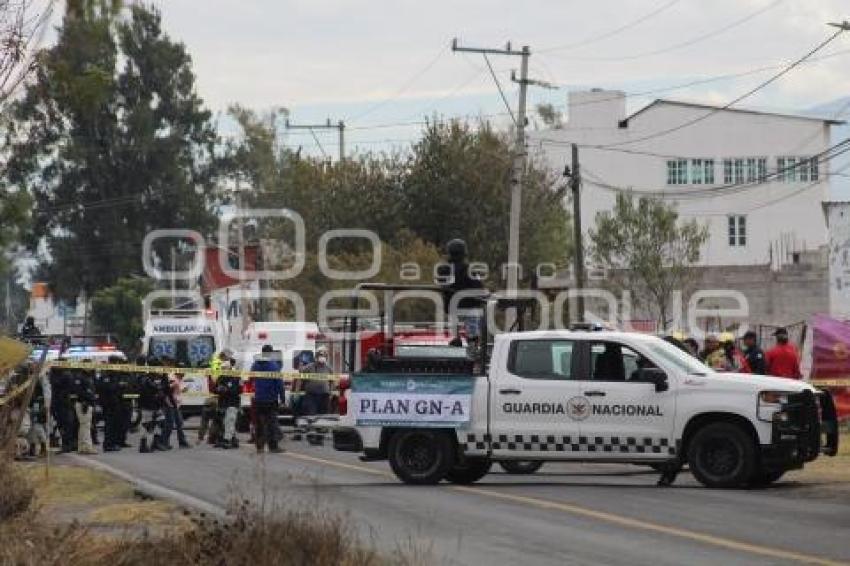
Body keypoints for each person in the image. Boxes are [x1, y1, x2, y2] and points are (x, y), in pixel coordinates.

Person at [252, 344, 284, 453]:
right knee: (272, 423)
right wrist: (282, 398)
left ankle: (259, 447)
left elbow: (251, 378)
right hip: (271, 399)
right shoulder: (273, 366)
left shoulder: (255, 365)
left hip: (258, 398)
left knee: (259, 424)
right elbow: (279, 384)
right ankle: (273, 446)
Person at [138, 358, 169, 453]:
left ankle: (155, 442)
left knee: (161, 422)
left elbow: (165, 388)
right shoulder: (145, 377)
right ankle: (143, 445)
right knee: (146, 425)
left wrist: (164, 378)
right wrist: (157, 391)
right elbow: (147, 389)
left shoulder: (160, 377)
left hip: (157, 405)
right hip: (148, 405)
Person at [95, 357, 123, 451]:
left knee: (114, 424)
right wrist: (118, 385)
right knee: (110, 425)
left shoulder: (114, 374)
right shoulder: (106, 374)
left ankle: (112, 443)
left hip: (114, 402)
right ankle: (108, 444)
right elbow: (107, 387)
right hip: (109, 403)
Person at [214, 362, 242, 449]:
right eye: (222, 369)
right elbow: (215, 389)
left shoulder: (235, 377)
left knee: (230, 421)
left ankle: (227, 440)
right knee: (224, 422)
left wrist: (225, 389)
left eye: (224, 368)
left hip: (232, 403)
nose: (222, 370)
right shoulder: (220, 378)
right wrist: (218, 390)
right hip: (223, 403)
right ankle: (232, 439)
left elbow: (238, 390)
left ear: (229, 368)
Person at [50, 364, 77, 453]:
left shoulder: (63, 376)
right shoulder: (63, 375)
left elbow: (57, 384)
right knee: (64, 425)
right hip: (62, 404)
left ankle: (67, 444)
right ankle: (68, 444)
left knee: (65, 425)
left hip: (63, 404)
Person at [26, 363, 51, 458]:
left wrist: (46, 405)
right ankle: (33, 448)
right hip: (32, 404)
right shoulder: (30, 375)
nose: (31, 367)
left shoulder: (41, 376)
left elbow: (46, 391)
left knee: (37, 426)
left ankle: (44, 447)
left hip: (39, 404)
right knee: (32, 427)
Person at [71, 368, 98, 455]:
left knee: (84, 426)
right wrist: (85, 401)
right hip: (84, 404)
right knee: (85, 426)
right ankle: (87, 447)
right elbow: (80, 392)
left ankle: (82, 446)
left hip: (86, 403)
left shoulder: (87, 377)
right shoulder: (81, 378)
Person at [300, 346, 332, 415]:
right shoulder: (309, 367)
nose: (322, 357)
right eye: (320, 355)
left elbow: (332, 381)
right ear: (316, 356)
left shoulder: (328, 368)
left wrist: (331, 392)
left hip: (324, 396)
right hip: (311, 396)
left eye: (324, 355)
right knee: (311, 414)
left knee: (324, 415)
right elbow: (301, 378)